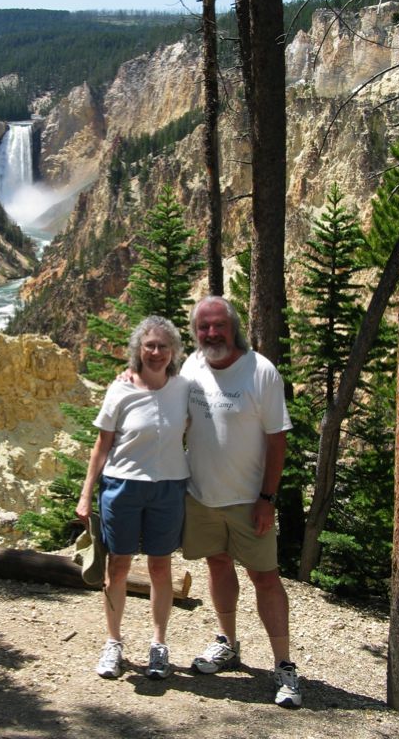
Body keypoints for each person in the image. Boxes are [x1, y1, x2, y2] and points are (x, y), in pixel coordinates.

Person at [180, 295, 302, 708]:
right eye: (203, 327)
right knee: (217, 564)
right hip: (201, 496)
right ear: (195, 331)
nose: (211, 334)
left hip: (249, 500)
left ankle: (284, 664)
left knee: (265, 578)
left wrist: (267, 497)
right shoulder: (191, 366)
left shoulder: (261, 372)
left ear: (234, 328)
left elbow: (277, 440)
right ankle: (228, 643)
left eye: (219, 326)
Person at [76, 315, 190, 680]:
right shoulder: (120, 389)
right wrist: (85, 494)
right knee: (118, 567)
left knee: (160, 568)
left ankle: (158, 645)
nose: (156, 352)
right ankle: (113, 643)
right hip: (121, 486)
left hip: (169, 487)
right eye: (149, 345)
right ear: (138, 350)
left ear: (173, 351)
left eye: (163, 346)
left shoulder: (184, 387)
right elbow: (101, 445)